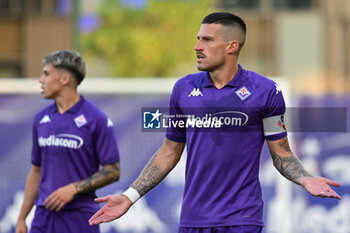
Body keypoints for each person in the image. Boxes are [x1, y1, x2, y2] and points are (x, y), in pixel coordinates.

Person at [88, 12, 341, 233]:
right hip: (192, 219)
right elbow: (169, 151)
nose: (198, 46)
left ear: (232, 46)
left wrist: (306, 179)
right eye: (198, 38)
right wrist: (130, 196)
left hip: (242, 219)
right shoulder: (183, 89)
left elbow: (282, 154)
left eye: (207, 40)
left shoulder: (266, 91)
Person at [16, 50, 121, 233]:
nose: (41, 80)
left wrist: (74, 188)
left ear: (65, 79)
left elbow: (113, 170)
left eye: (46, 74)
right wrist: (22, 218)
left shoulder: (96, 119)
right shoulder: (41, 119)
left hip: (80, 216)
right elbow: (36, 170)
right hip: (44, 216)